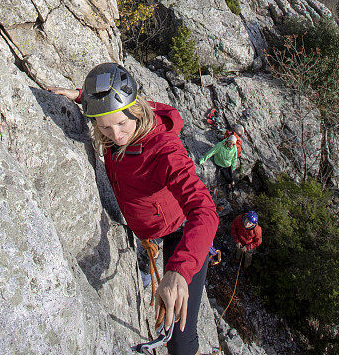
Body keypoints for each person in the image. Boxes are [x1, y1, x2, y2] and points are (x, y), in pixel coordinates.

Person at [46, 63, 218, 355]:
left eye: (122, 125)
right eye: (105, 127)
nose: (116, 135)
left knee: (179, 337)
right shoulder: (119, 118)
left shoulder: (164, 151)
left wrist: (179, 270)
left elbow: (205, 211)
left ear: (136, 111)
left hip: (182, 232)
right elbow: (110, 111)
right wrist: (81, 97)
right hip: (152, 230)